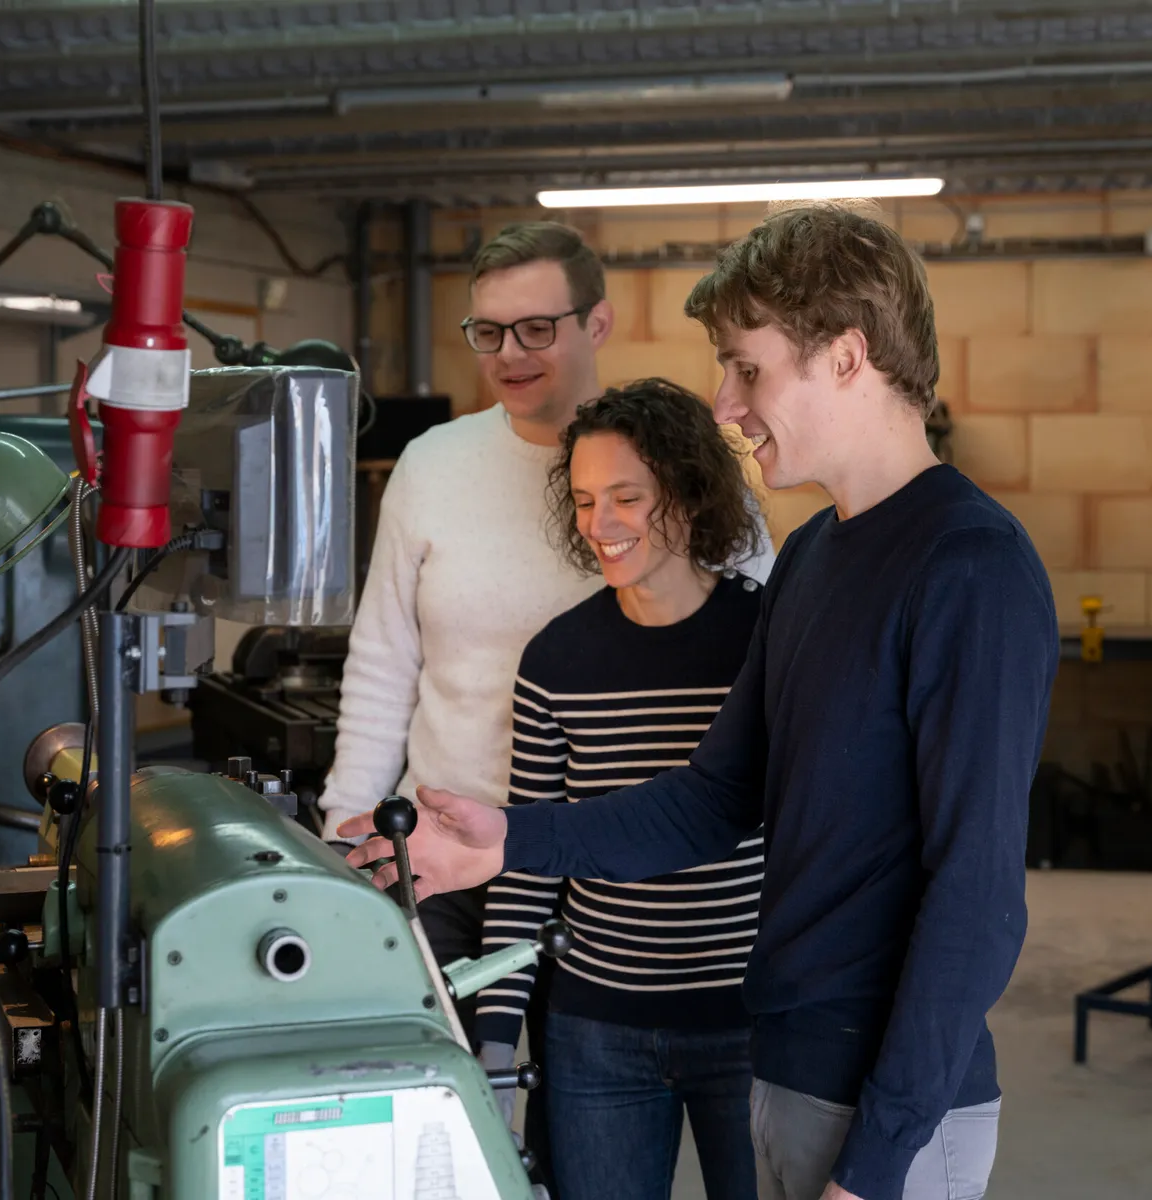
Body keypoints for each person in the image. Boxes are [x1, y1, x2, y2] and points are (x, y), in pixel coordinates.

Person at [351, 203, 1058, 1200]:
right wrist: (506, 841)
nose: (724, 405)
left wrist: (879, 1160)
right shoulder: (815, 555)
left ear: (848, 356)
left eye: (748, 368)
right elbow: (713, 797)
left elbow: (976, 899)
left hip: (887, 1111)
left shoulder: (969, 568)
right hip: (791, 1067)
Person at [322, 220, 775, 1167]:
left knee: (585, 1131)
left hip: (622, 864)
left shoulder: (682, 466)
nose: (509, 355)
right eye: (487, 332)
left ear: (597, 322)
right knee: (443, 1142)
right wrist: (349, 828)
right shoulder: (432, 466)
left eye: (536, 329)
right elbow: (382, 660)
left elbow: (759, 658)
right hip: (449, 856)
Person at [476, 379, 765, 1200]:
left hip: (749, 1027)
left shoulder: (766, 640)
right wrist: (497, 1042)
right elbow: (525, 858)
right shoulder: (557, 660)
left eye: (627, 497)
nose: (600, 525)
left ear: (687, 490)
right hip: (595, 1031)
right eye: (585, 500)